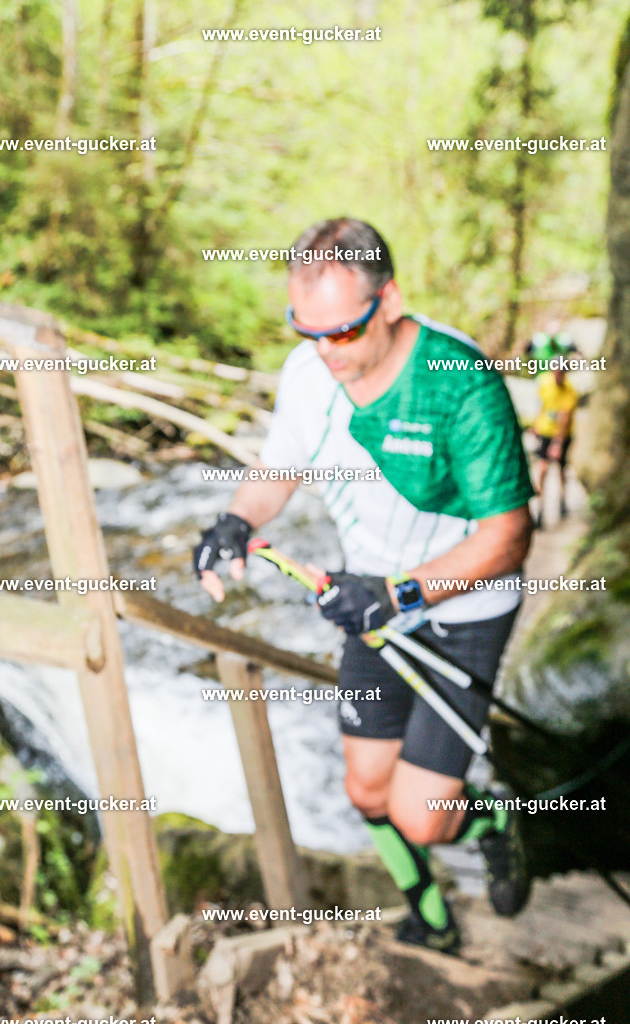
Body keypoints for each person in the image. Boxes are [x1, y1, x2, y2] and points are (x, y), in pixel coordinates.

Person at [193, 218, 534, 955]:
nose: (324, 351)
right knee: (365, 791)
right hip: (370, 604)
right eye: (306, 329)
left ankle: (491, 822)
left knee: (418, 814)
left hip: (460, 608)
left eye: (342, 331)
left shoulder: (458, 382)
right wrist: (233, 520)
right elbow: (278, 468)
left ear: (388, 302)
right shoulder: (308, 370)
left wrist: (396, 594)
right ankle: (432, 920)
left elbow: (506, 539)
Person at [531, 363, 579, 528]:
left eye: (561, 372)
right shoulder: (544, 382)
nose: (558, 375)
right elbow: (541, 405)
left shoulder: (570, 391)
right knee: (542, 468)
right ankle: (539, 508)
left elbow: (564, 418)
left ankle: (562, 500)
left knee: (560, 468)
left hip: (563, 435)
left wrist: (558, 444)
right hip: (546, 432)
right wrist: (535, 425)